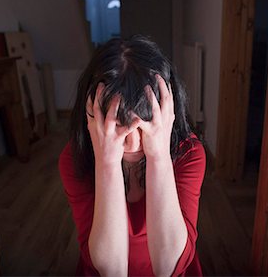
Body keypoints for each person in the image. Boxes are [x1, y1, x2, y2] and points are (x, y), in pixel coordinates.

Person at [59, 35, 206, 276]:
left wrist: (158, 156)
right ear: (91, 115)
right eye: (118, 125)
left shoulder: (189, 153)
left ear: (167, 113)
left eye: (145, 124)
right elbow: (110, 270)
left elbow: (169, 268)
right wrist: (107, 163)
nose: (133, 143)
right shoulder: (74, 158)